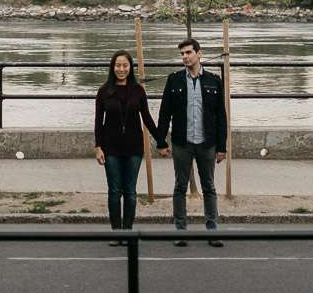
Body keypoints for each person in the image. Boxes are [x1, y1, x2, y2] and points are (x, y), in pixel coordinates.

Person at [153, 37, 226, 247]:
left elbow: (221, 116)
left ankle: (212, 230)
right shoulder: (174, 80)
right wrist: (161, 141)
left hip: (207, 142)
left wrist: (222, 146)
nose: (184, 57)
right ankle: (181, 231)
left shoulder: (214, 81)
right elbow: (165, 112)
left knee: (209, 186)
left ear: (199, 54)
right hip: (182, 142)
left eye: (188, 53)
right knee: (180, 186)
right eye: (182, 54)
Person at [94, 50, 158, 245]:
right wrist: (98, 147)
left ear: (130, 68)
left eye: (125, 66)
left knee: (130, 191)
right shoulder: (104, 91)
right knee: (114, 190)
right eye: (118, 65)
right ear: (112, 68)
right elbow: (98, 122)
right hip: (111, 148)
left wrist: (161, 141)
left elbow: (146, 118)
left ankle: (128, 232)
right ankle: (116, 232)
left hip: (134, 148)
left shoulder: (138, 91)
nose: (121, 69)